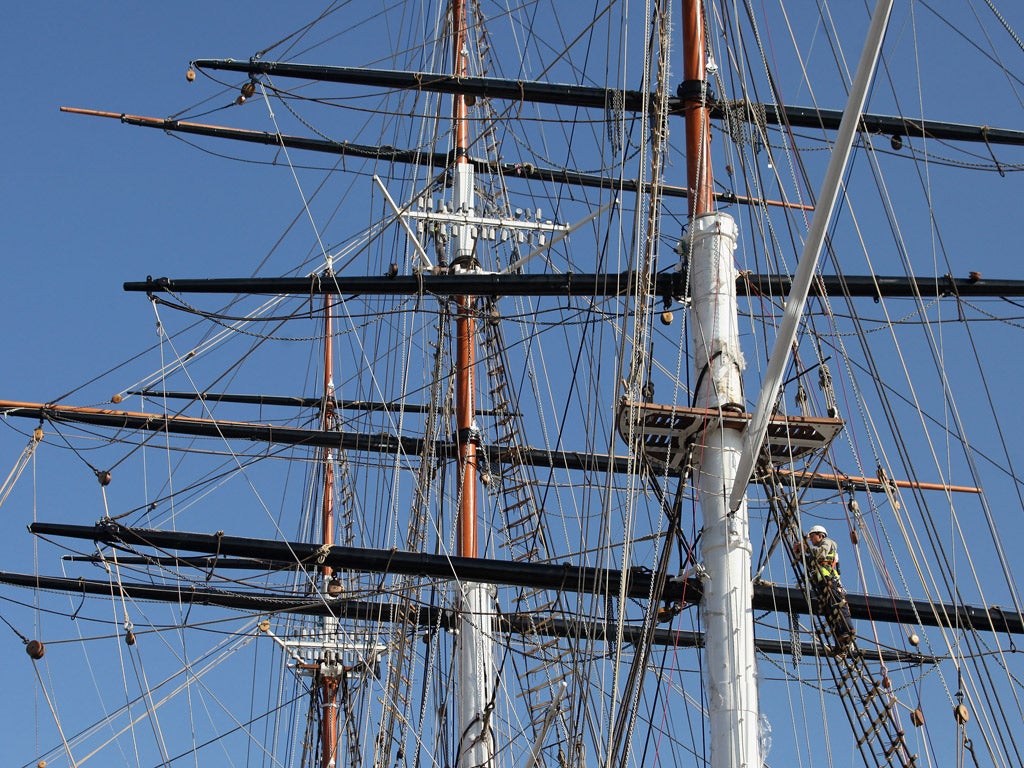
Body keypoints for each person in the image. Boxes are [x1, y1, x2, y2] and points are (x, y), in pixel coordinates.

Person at [794, 524, 855, 652]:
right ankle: (839, 641)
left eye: (812, 536)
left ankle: (848, 631)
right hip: (821, 584)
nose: (810, 539)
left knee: (837, 605)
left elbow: (822, 554)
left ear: (820, 535)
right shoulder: (814, 551)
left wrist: (806, 548)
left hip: (829, 581)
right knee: (829, 613)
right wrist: (799, 553)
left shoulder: (828, 542)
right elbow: (809, 563)